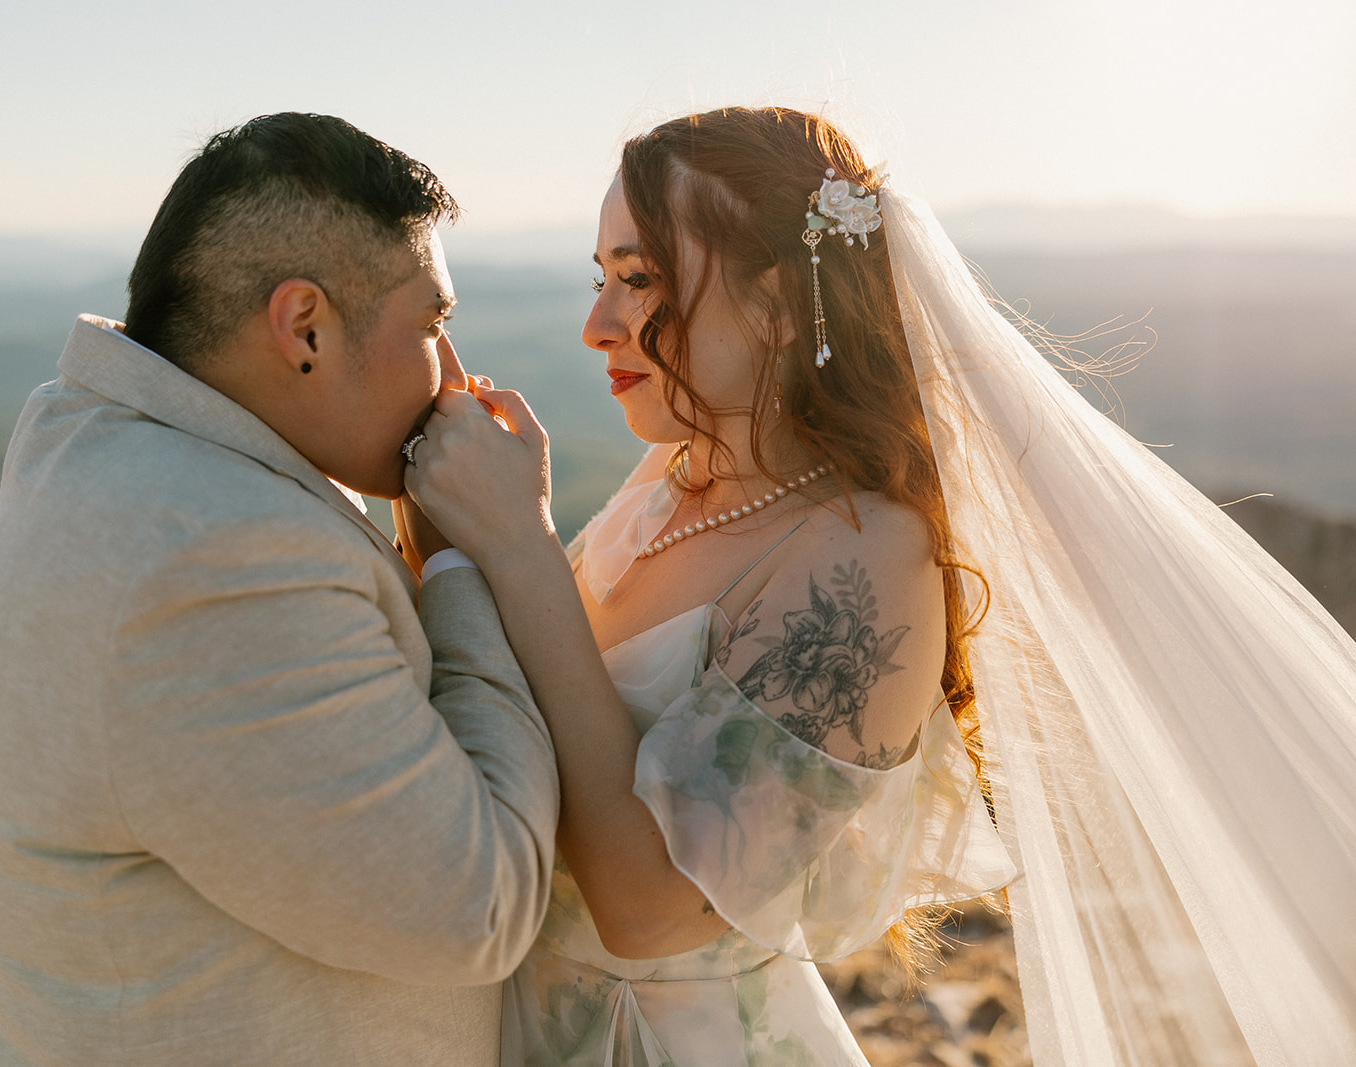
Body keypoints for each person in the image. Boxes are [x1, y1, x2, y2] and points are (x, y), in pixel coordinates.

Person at [402, 107, 1356, 1065]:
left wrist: (523, 545)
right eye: (599, 278)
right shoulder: (677, 472)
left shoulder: (870, 557)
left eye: (639, 279)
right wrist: (450, 536)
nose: (595, 322)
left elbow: (651, 906)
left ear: (779, 304)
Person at [0, 112, 559, 1066]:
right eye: (432, 321)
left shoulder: (88, 435)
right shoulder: (220, 558)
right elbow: (481, 904)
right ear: (304, 327)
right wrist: (464, 562)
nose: (453, 372)